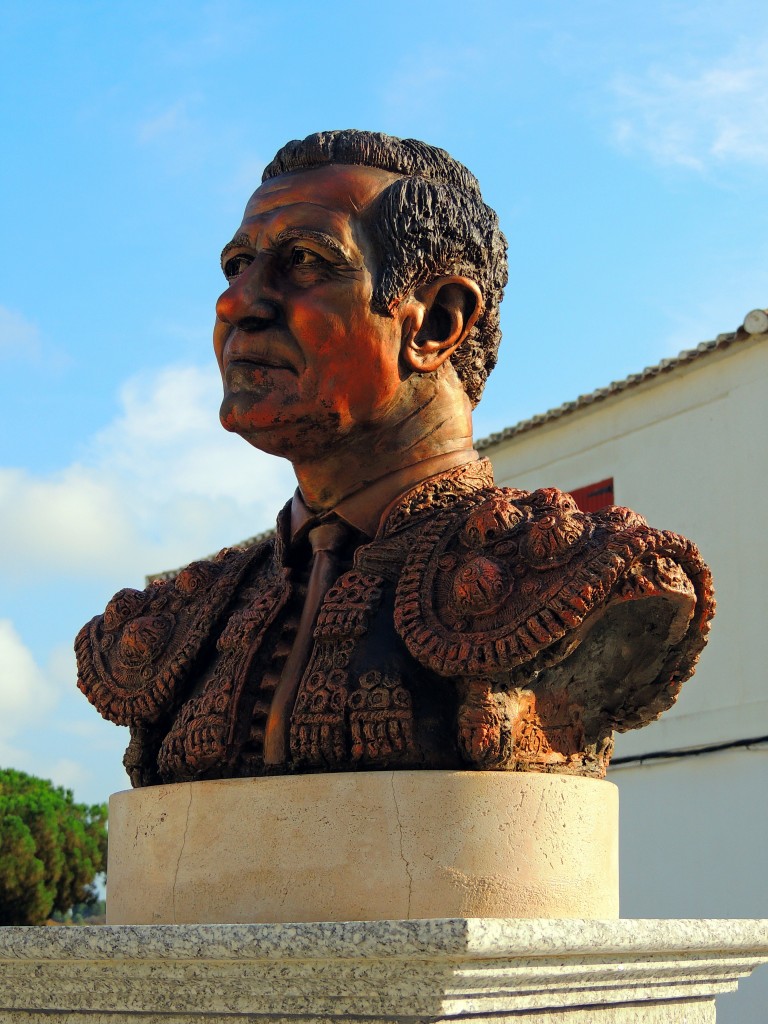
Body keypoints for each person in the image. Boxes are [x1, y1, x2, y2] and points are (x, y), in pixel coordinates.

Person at [76, 130, 714, 787]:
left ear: (437, 321)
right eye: (237, 264)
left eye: (303, 260)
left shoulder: (597, 572)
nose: (235, 303)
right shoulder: (192, 610)